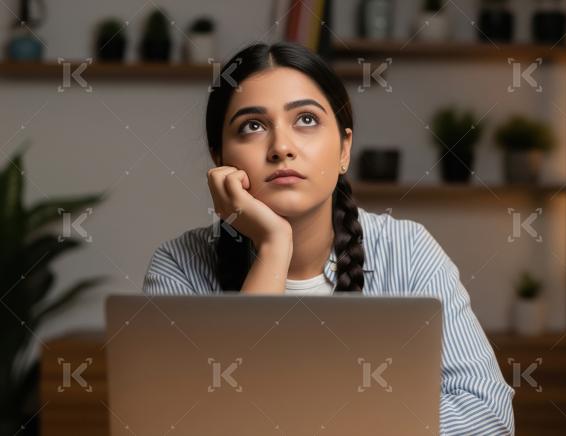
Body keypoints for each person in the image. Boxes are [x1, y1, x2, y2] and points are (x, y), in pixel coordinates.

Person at [142, 41, 514, 435]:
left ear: (344, 149)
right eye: (252, 126)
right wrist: (273, 246)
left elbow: (487, 414)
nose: (281, 148)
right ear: (220, 160)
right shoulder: (179, 267)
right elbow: (181, 426)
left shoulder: (407, 251)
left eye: (305, 120)